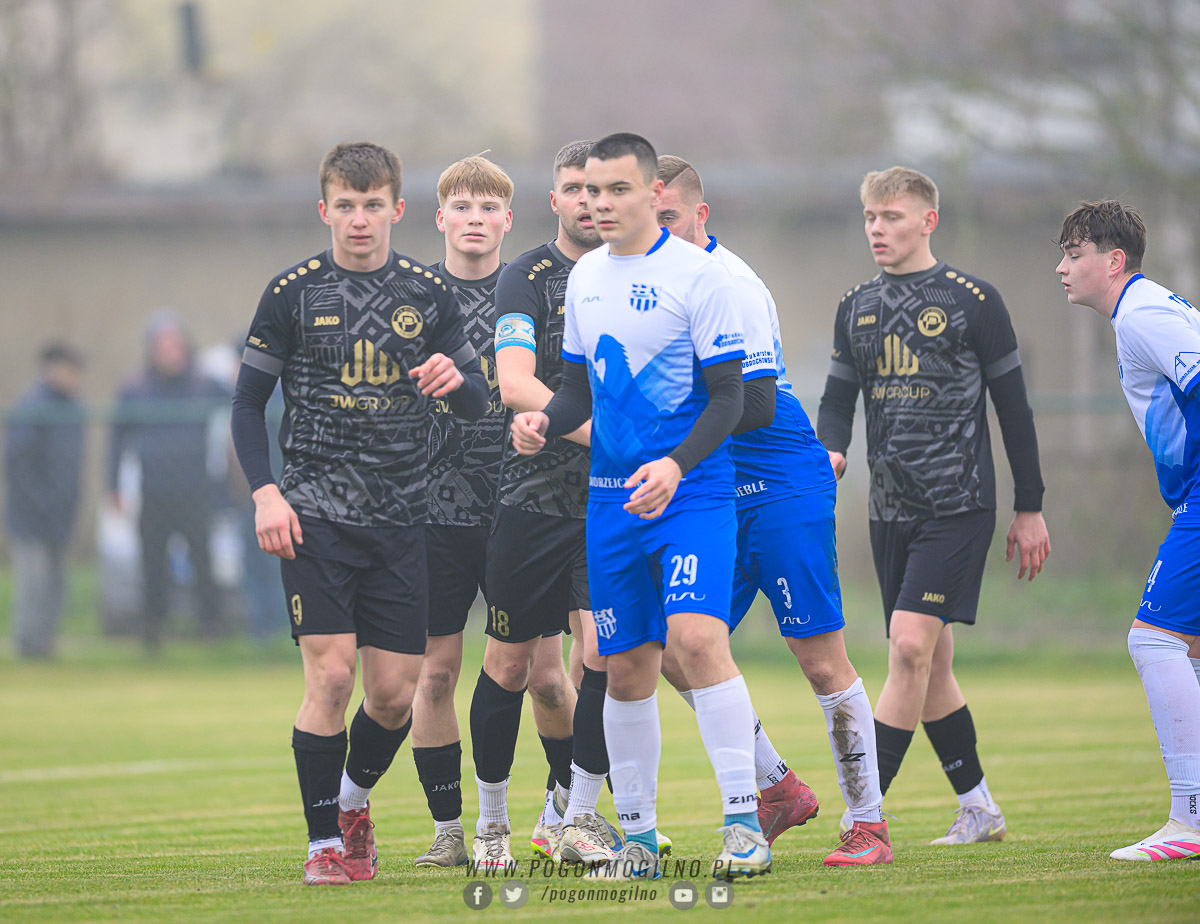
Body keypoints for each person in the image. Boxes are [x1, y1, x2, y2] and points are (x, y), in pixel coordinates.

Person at [230, 141, 487, 886]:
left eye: (373, 205)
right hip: (313, 516)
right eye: (346, 205)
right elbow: (246, 403)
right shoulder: (292, 293)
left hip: (402, 521)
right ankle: (322, 847)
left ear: (397, 209)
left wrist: (455, 379)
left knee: (394, 695)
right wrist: (266, 492)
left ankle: (350, 804)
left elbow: (477, 400)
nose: (360, 219)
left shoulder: (427, 295)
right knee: (333, 677)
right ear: (325, 210)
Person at [511, 133, 766, 882]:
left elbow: (731, 398)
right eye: (590, 191)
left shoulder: (701, 275)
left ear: (654, 194)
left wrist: (675, 465)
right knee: (621, 668)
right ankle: (639, 841)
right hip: (610, 504)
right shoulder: (585, 278)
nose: (599, 204)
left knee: (697, 639)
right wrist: (544, 421)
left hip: (692, 495)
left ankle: (744, 825)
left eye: (617, 189)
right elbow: (577, 391)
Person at [655, 155, 890, 866]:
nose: (655, 231)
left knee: (819, 660)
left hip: (781, 481)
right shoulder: (653, 288)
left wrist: (668, 432)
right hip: (716, 488)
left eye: (668, 218)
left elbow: (755, 404)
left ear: (700, 216)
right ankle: (777, 786)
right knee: (670, 648)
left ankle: (869, 824)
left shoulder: (728, 283)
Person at [817, 166, 1051, 845]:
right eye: (870, 217)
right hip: (889, 509)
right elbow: (837, 400)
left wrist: (1030, 506)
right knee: (931, 664)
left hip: (959, 504)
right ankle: (979, 808)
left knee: (910, 647)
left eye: (891, 216)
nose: (877, 229)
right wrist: (832, 449)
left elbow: (1014, 411)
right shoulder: (855, 306)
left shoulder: (975, 302)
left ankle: (865, 815)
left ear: (928, 221)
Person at [467, 140, 615, 871]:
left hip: (611, 502)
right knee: (510, 663)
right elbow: (514, 382)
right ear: (554, 199)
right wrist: (608, 438)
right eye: (573, 189)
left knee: (605, 656)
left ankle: (577, 816)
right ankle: (490, 825)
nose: (587, 201)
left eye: (598, 189)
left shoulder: (639, 275)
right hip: (531, 499)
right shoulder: (525, 277)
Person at [1055, 200, 1200, 861]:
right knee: (1188, 650)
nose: (1062, 268)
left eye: (1074, 254)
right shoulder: (1143, 311)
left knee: (1153, 641)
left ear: (1114, 261)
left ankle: (1190, 822)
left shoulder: (1142, 313)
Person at [409, 154, 515, 868]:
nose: (474, 219)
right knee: (436, 673)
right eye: (462, 207)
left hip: (520, 509)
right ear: (439, 217)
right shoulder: (411, 299)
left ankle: (555, 817)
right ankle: (449, 831)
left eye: (488, 207)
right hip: (432, 515)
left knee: (542, 676)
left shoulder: (529, 292)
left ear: (508, 219)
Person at [109, 312, 229, 650]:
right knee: (153, 564)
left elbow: (242, 401)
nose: (169, 352)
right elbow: (117, 440)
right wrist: (112, 486)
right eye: (162, 346)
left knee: (202, 560)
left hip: (195, 490)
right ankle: (153, 629)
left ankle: (211, 627)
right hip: (154, 491)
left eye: (175, 345)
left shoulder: (204, 384)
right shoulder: (136, 388)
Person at [4, 343, 85, 659]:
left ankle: (46, 642)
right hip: (30, 516)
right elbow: (18, 464)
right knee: (33, 582)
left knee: (56, 583)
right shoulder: (32, 407)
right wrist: (40, 502)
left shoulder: (73, 409)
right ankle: (28, 644)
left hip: (60, 514)